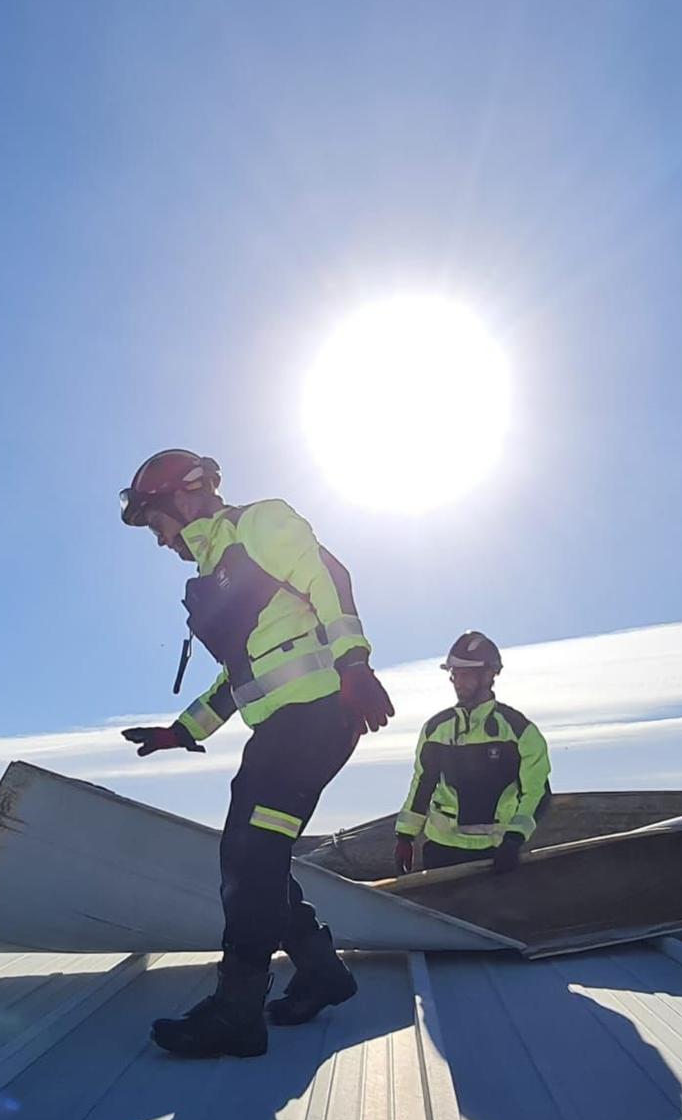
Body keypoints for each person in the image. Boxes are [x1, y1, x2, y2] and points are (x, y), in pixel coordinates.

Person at [118, 448, 395, 1059]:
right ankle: (321, 973)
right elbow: (240, 676)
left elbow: (330, 577)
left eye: (155, 524)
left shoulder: (258, 525)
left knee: (249, 856)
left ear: (180, 498)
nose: (160, 543)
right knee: (253, 856)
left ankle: (238, 1012)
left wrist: (355, 664)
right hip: (280, 729)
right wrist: (182, 730)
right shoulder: (216, 571)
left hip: (318, 715)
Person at [394, 631, 552, 874]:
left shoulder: (520, 731)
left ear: (490, 674)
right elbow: (422, 785)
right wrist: (405, 836)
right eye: (454, 674)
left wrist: (513, 840)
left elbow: (537, 793)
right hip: (441, 851)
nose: (458, 681)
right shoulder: (435, 729)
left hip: (496, 855)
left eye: (466, 674)